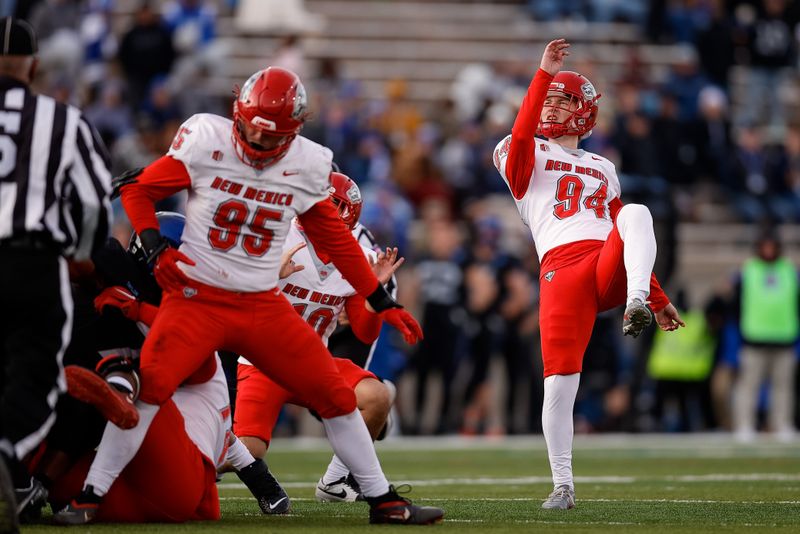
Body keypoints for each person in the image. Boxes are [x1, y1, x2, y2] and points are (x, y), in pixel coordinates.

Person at [65, 66, 443, 525]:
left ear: (296, 131)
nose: (260, 145)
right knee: (150, 387)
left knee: (337, 397)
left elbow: (337, 240)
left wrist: (381, 300)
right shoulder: (207, 138)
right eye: (252, 131)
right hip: (198, 297)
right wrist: (153, 243)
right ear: (237, 113)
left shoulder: (306, 161)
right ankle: (90, 496)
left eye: (273, 137)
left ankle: (383, 501)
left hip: (261, 304)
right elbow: (138, 190)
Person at [492, 39, 685, 510]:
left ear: (585, 112)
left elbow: (625, 226)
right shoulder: (521, 150)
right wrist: (542, 74)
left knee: (638, 210)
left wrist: (656, 298)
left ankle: (635, 301)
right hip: (560, 268)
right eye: (549, 99)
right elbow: (520, 138)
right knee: (560, 381)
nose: (552, 107)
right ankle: (563, 484)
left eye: (563, 100)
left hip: (606, 265)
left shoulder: (604, 166)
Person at [51, 212, 292, 522]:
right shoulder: (158, 314)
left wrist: (136, 309)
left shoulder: (188, 324)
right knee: (57, 487)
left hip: (177, 464)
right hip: (181, 493)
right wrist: (265, 486)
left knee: (139, 384)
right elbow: (226, 436)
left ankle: (114, 397)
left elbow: (184, 344)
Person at [0, 17, 112, 532]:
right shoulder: (62, 121)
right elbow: (94, 205)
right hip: (32, 262)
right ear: (36, 66)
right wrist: (78, 254)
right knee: (35, 375)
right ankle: (10, 458)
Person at [234, 172, 398, 504]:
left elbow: (364, 331)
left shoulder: (357, 256)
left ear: (348, 214)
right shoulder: (277, 237)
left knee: (377, 397)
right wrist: (268, 276)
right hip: (263, 362)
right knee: (245, 449)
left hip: (313, 364)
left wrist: (374, 297)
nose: (319, 209)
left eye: (331, 204)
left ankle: (335, 482)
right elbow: (237, 299)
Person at [731, 230, 798, 442]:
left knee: (783, 387)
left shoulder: (790, 271)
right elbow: (735, 305)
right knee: (749, 385)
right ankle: (744, 426)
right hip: (754, 337)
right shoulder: (748, 271)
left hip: (784, 337)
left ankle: (782, 424)